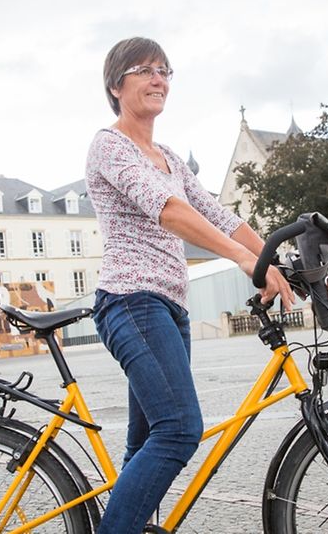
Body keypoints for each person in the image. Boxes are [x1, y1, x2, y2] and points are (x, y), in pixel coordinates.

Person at [85, 37, 295, 533]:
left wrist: (271, 257)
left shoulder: (170, 158)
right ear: (117, 86)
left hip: (168, 308)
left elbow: (216, 213)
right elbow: (169, 209)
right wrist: (245, 259)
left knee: (148, 442)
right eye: (144, 70)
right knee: (179, 431)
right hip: (130, 302)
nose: (159, 79)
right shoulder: (109, 145)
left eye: (164, 70)